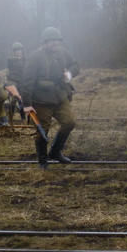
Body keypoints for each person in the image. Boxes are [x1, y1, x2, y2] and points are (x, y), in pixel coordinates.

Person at [22, 27, 80, 168]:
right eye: (52, 41)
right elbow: (27, 82)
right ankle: (42, 160)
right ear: (44, 42)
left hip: (60, 97)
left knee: (69, 122)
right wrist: (27, 104)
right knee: (43, 131)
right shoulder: (34, 57)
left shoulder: (62, 52)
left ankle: (55, 152)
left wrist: (69, 74)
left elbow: (75, 65)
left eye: (57, 41)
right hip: (41, 101)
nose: (55, 44)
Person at [5, 42, 26, 125]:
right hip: (13, 82)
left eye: (20, 50)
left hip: (21, 82)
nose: (19, 52)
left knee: (21, 101)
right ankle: (10, 118)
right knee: (14, 99)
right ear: (14, 52)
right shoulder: (11, 60)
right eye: (17, 50)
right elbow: (9, 70)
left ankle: (23, 118)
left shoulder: (25, 60)